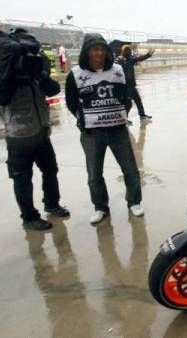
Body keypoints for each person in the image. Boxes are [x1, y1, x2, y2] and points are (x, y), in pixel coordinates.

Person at [0, 29, 70, 230]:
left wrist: (40, 75)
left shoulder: (35, 71)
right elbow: (0, 98)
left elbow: (53, 89)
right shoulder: (2, 72)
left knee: (50, 170)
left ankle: (52, 204)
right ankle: (29, 217)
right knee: (22, 179)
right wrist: (10, 72)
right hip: (18, 136)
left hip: (42, 131)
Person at [65, 33, 143, 224]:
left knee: (130, 169)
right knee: (94, 175)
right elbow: (71, 102)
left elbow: (127, 95)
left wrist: (120, 113)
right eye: (94, 49)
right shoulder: (75, 74)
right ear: (87, 51)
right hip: (92, 134)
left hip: (118, 131)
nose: (99, 53)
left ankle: (134, 202)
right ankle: (100, 207)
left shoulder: (118, 70)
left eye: (101, 48)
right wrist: (84, 119)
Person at [117, 45, 155, 121]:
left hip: (132, 86)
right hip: (126, 86)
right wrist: (149, 54)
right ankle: (124, 119)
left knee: (138, 100)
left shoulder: (130, 60)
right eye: (129, 51)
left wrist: (149, 54)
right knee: (128, 103)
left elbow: (140, 58)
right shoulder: (120, 61)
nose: (130, 52)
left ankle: (142, 115)